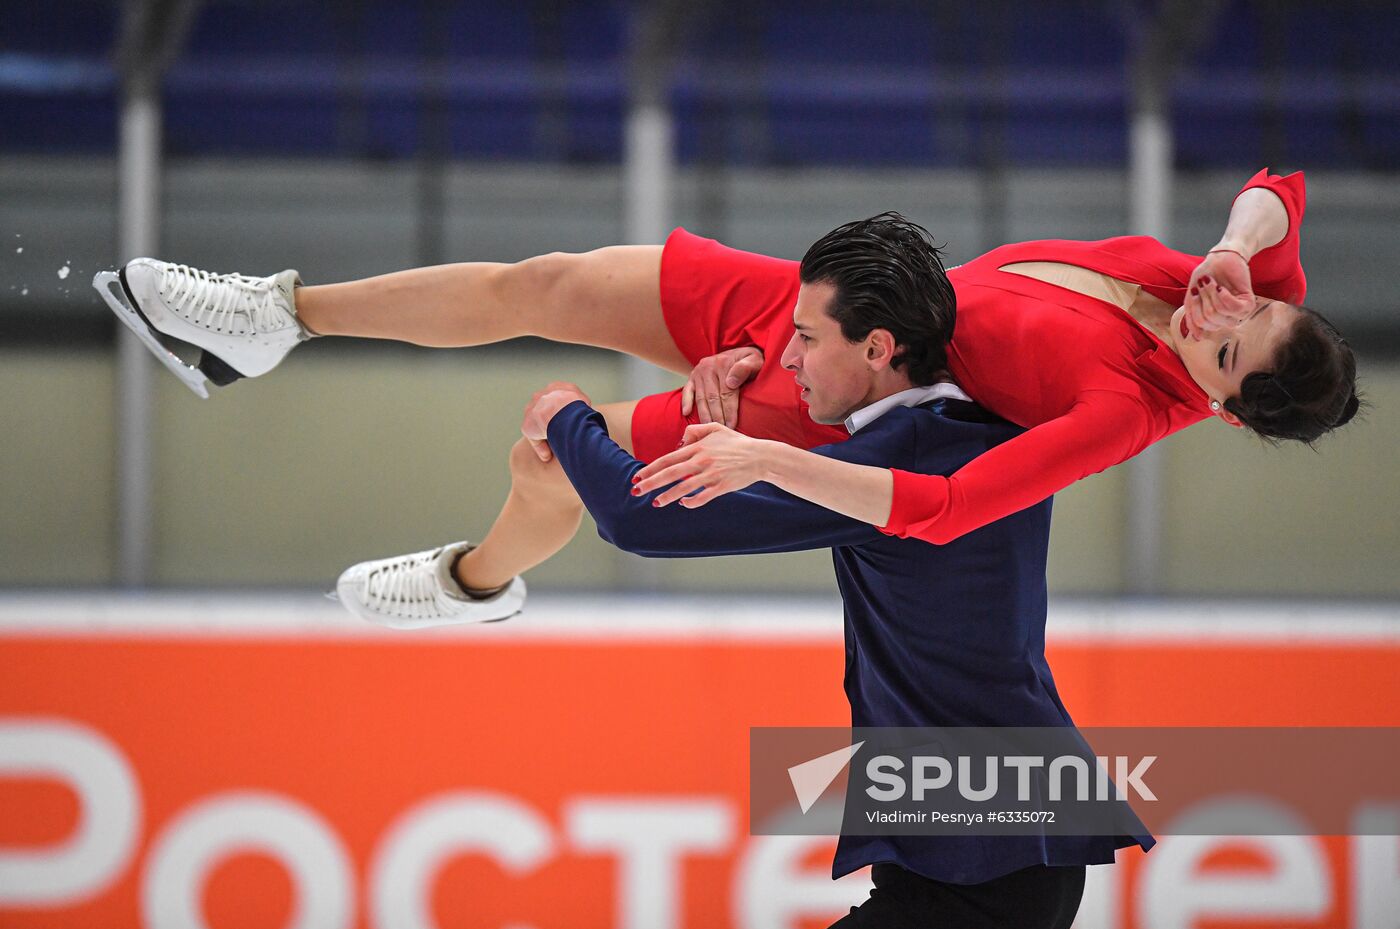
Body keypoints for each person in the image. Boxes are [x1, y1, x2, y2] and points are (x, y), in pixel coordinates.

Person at [99, 170, 1358, 624]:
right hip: (838, 301)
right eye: (1251, 310)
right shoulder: (1242, 287)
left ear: (1228, 411)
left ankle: (471, 585)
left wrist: (775, 447)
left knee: (555, 452)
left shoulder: (1120, 415)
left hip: (843, 385)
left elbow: (944, 504)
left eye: (1230, 352)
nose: (1222, 318)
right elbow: (1275, 186)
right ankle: (266, 320)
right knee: (548, 278)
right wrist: (1243, 248)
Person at [514, 214, 1152, 929]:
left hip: (985, 867)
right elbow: (826, 431)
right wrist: (737, 370)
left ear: (880, 347)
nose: (787, 357)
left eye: (807, 339)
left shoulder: (894, 467)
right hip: (988, 850)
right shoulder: (971, 428)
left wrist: (569, 416)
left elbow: (647, 518)